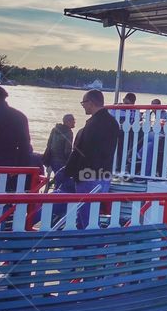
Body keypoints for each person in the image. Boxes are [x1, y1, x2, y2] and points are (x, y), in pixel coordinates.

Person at [63, 89, 122, 227]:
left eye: (83, 102)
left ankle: (87, 245)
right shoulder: (113, 123)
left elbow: (80, 152)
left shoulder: (92, 125)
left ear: (90, 102)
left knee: (86, 217)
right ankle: (91, 242)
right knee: (93, 216)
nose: (82, 105)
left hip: (87, 176)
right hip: (104, 174)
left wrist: (69, 172)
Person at [43, 114, 75, 188]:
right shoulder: (69, 132)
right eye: (73, 120)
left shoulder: (55, 129)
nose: (74, 122)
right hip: (61, 161)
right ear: (68, 121)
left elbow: (49, 144)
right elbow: (67, 150)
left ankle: (51, 184)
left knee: (58, 176)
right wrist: (70, 162)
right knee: (64, 179)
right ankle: (57, 192)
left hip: (51, 160)